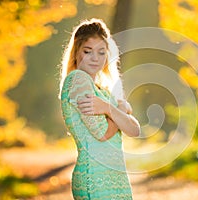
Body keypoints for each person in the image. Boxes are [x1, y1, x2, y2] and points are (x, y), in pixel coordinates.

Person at [59, 18, 140, 199]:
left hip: (115, 177)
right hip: (95, 178)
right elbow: (102, 133)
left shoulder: (101, 90)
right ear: (76, 53)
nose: (95, 58)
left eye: (101, 52)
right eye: (88, 51)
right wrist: (119, 109)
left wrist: (109, 107)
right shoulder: (78, 79)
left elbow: (134, 129)